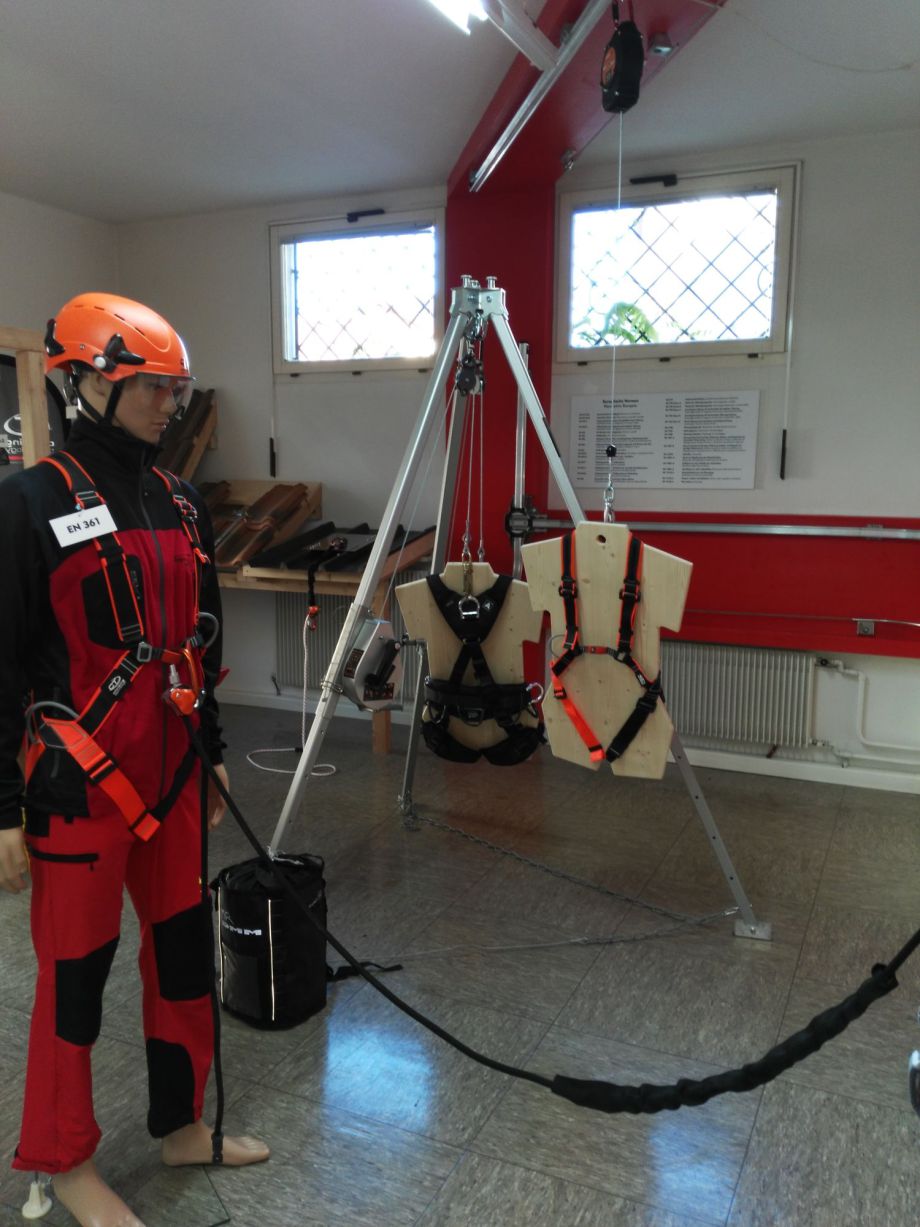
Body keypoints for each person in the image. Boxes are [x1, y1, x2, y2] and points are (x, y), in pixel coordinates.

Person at [0, 293, 268, 1227]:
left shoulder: (180, 501)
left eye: (174, 387)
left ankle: (181, 1123)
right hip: (78, 782)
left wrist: (214, 749)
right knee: (75, 974)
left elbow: (203, 637)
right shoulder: (30, 501)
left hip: (176, 769)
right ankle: (64, 1158)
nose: (168, 404)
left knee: (184, 954)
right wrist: (2, 805)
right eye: (150, 386)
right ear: (85, 382)